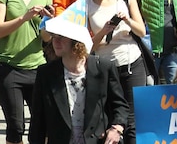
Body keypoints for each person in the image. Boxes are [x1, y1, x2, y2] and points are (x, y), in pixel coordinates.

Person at [28, 16, 129, 144]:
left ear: (77, 42)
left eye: (61, 37)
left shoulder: (103, 67)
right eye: (54, 37)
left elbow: (120, 105)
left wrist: (117, 129)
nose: (56, 41)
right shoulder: (46, 73)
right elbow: (38, 119)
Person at [0, 0, 54, 144]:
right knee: (16, 126)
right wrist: (24, 17)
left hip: (36, 67)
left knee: (42, 125)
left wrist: (49, 23)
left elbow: (46, 38)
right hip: (8, 67)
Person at [86, 0, 147, 144]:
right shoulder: (87, 3)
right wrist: (104, 31)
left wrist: (127, 20)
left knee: (133, 121)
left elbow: (141, 31)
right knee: (109, 119)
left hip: (131, 62)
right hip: (104, 66)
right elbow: (87, 46)